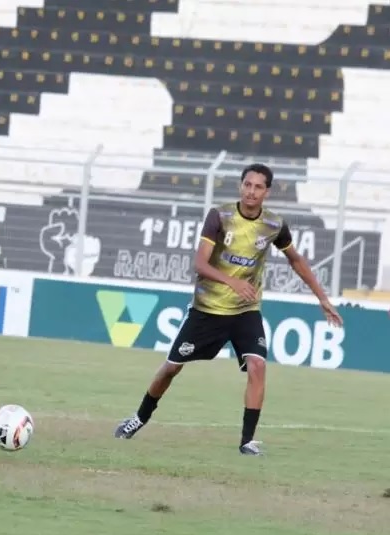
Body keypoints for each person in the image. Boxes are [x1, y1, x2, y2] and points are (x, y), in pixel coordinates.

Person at [113, 163, 344, 456]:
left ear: (267, 192)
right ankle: (138, 418)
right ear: (240, 186)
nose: (251, 191)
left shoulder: (274, 224)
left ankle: (247, 441)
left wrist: (322, 299)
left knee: (258, 365)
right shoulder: (220, 216)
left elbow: (295, 260)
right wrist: (232, 282)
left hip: (246, 310)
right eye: (247, 184)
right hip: (207, 309)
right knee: (171, 368)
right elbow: (200, 263)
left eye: (258, 187)